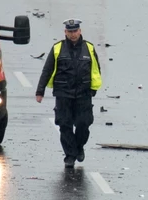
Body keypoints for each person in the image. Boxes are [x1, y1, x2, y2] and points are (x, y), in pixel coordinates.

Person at [35, 18, 103, 168]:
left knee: (83, 124)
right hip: (63, 94)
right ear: (65, 32)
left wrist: (93, 89)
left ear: (80, 31)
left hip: (83, 94)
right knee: (64, 125)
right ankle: (70, 156)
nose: (73, 34)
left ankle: (79, 147)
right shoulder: (57, 48)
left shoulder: (89, 48)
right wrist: (40, 91)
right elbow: (47, 70)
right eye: (70, 31)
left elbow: (96, 70)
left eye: (75, 31)